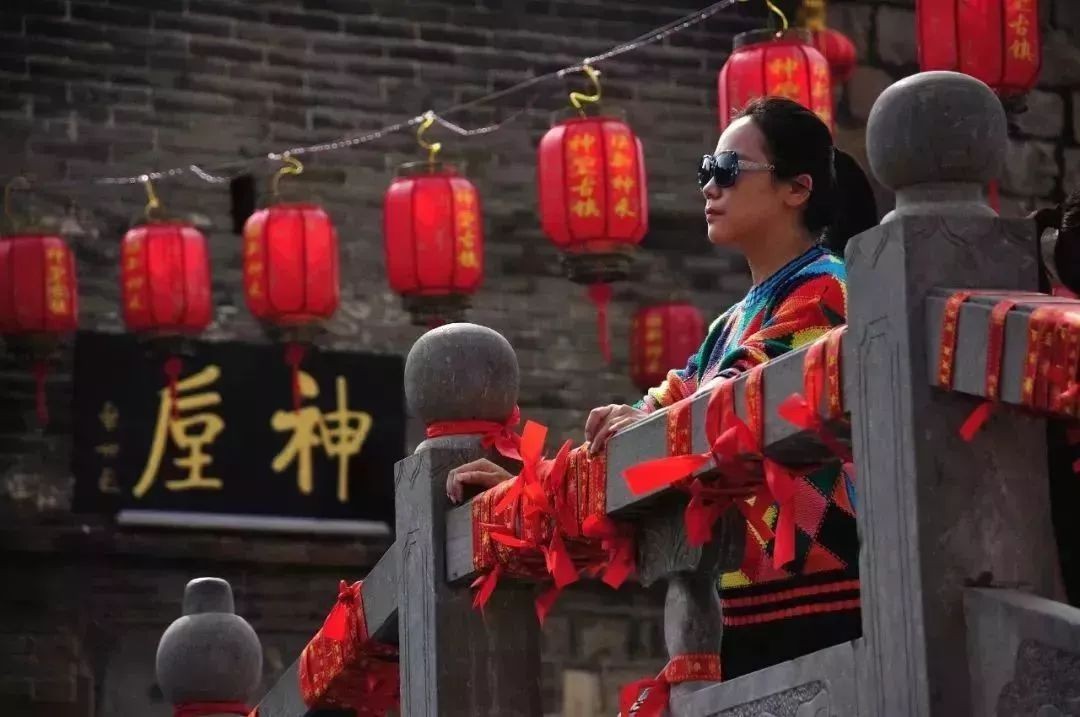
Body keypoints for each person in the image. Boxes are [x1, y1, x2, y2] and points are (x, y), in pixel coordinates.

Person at [447, 96, 877, 679]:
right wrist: (527, 487)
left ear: (796, 188)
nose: (710, 186)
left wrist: (648, 423)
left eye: (728, 169)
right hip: (742, 608)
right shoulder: (728, 324)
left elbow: (728, 399)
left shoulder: (828, 289)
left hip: (823, 600)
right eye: (706, 170)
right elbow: (646, 421)